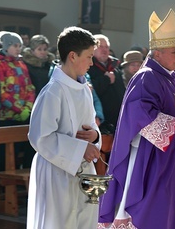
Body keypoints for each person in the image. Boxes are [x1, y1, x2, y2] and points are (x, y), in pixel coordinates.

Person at [98, 8, 175, 229]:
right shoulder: (146, 77)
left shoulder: (174, 78)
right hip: (149, 158)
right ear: (157, 53)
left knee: (167, 206)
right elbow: (138, 111)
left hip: (170, 155)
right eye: (174, 52)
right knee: (151, 206)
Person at [27, 26, 101, 228]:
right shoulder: (53, 91)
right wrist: (79, 149)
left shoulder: (84, 89)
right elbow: (40, 137)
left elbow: (91, 125)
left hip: (83, 171)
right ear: (73, 56)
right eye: (89, 56)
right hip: (57, 171)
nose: (92, 63)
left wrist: (94, 136)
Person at [0, 31, 35, 187]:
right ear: (6, 46)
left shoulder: (21, 64)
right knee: (2, 156)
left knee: (16, 155)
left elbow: (30, 87)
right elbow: (2, 93)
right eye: (15, 46)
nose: (18, 49)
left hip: (22, 116)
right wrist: (17, 109)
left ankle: (14, 188)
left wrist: (27, 109)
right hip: (4, 117)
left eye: (20, 46)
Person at [88, 34, 125, 135]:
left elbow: (122, 93)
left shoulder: (115, 68)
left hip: (117, 122)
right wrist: (106, 80)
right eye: (100, 47)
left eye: (107, 47)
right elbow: (90, 92)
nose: (104, 50)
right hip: (100, 123)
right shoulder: (88, 67)